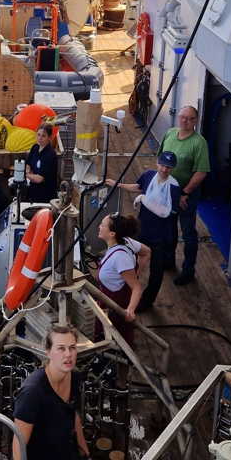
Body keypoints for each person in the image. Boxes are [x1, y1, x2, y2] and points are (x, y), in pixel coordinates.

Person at [105, 150, 181, 311]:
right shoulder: (148, 175)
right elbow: (138, 187)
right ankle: (129, 294)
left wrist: (144, 199)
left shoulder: (174, 187)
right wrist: (118, 185)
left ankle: (147, 301)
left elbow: (164, 211)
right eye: (162, 165)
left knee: (156, 270)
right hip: (143, 230)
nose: (164, 169)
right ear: (157, 163)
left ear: (173, 168)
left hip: (161, 235)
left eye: (168, 167)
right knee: (131, 264)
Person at [12, 325, 91, 460]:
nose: (68, 354)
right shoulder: (32, 393)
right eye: (61, 348)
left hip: (63, 449)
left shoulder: (73, 377)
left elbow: (73, 416)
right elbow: (18, 445)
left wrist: (86, 456)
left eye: (72, 347)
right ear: (48, 352)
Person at [158, 106, 211, 285]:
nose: (184, 121)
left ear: (196, 121)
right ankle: (169, 258)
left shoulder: (199, 143)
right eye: (182, 117)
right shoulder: (171, 133)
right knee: (170, 227)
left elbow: (201, 172)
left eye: (189, 118)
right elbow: (160, 160)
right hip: (168, 192)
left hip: (186, 195)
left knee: (188, 232)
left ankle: (188, 269)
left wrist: (185, 193)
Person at [93, 212, 145, 347]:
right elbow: (146, 252)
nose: (99, 226)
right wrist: (134, 273)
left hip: (115, 309)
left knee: (114, 344)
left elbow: (136, 288)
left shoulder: (120, 258)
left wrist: (130, 310)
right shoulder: (127, 242)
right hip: (106, 302)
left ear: (112, 234)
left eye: (103, 225)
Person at [24, 122, 60, 203]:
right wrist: (32, 175)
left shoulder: (50, 154)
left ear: (50, 137)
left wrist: (26, 175)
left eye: (43, 136)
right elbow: (28, 166)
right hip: (32, 192)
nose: (40, 138)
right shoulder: (35, 147)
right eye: (38, 134)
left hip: (45, 196)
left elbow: (39, 179)